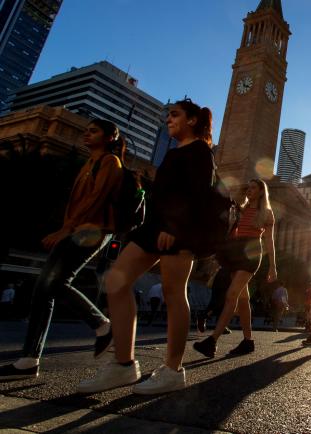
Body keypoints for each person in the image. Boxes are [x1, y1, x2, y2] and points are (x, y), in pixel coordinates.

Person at [77, 99, 221, 394]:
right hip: (153, 228)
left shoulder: (201, 152)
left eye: (175, 114)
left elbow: (197, 195)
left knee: (173, 292)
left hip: (177, 230)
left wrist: (174, 228)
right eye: (168, 115)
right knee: (117, 280)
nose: (168, 119)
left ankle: (172, 370)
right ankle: (123, 365)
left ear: (192, 120)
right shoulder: (173, 153)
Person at [0, 119, 124, 380]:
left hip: (90, 230)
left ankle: (103, 325)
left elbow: (96, 198)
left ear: (110, 136)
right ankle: (29, 359)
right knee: (45, 288)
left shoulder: (110, 162)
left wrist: (66, 229)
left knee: (53, 283)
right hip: (78, 228)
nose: (86, 135)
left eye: (93, 131)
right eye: (85, 131)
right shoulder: (90, 163)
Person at [193, 178, 278, 358]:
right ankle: (248, 342)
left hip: (251, 254)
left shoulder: (267, 213)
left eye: (253, 188)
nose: (249, 190)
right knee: (243, 300)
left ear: (261, 192)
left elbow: (270, 241)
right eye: (248, 187)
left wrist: (272, 267)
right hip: (236, 253)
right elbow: (231, 232)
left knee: (232, 295)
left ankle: (212, 341)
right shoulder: (242, 209)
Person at [196, 265, 232, 335]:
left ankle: (220, 325)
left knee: (219, 301)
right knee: (221, 301)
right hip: (228, 274)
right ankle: (204, 316)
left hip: (221, 273)